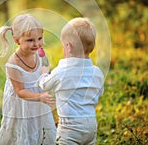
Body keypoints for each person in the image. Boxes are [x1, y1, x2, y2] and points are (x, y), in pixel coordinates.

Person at [38, 17, 104, 145]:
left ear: (68, 47)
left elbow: (45, 85)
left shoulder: (62, 71)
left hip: (69, 128)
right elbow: (98, 93)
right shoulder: (97, 72)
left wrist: (44, 73)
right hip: (91, 124)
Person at [0, 14, 56, 145]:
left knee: (39, 127)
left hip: (39, 102)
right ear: (17, 40)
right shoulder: (13, 64)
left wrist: (48, 75)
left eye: (40, 38)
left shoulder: (40, 55)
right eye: (30, 40)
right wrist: (39, 96)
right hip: (21, 105)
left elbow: (45, 75)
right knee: (23, 131)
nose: (37, 44)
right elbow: (20, 91)